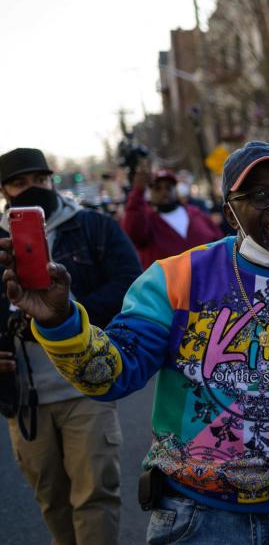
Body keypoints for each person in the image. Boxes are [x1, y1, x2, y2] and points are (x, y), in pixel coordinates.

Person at [1, 141, 269, 545]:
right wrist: (61, 321)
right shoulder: (174, 280)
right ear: (231, 212)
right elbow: (110, 376)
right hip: (195, 518)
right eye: (260, 195)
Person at [0, 147, 141, 545]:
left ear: (52, 180)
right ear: (4, 190)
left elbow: (130, 283)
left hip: (87, 383)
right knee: (52, 499)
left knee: (96, 493)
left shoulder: (93, 226)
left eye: (39, 180)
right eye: (20, 183)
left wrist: (61, 317)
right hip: (25, 396)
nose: (33, 188)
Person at [122, 167, 221, 268]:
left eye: (168, 187)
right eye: (157, 188)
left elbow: (218, 240)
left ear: (176, 189)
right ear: (150, 192)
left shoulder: (195, 213)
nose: (164, 192)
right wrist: (138, 192)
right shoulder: (146, 220)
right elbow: (132, 233)